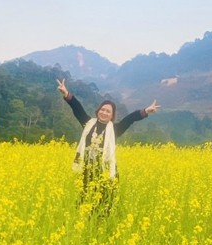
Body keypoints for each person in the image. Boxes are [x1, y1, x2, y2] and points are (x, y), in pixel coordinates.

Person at [56, 79, 160, 215]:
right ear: (98, 111)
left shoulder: (115, 129)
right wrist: (66, 93)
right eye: (102, 109)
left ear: (112, 115)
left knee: (103, 207)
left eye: (108, 111)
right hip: (87, 170)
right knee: (82, 204)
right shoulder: (87, 123)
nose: (104, 112)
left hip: (106, 172)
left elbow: (130, 119)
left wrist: (146, 111)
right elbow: (77, 108)